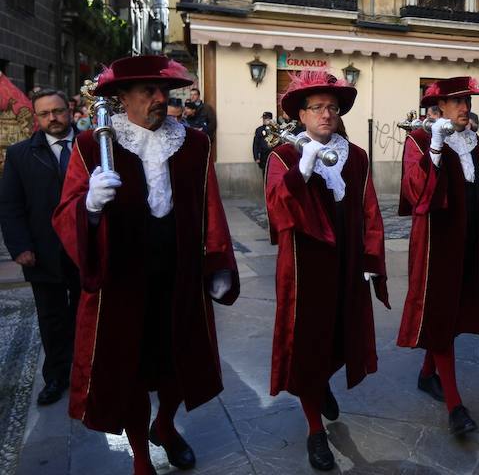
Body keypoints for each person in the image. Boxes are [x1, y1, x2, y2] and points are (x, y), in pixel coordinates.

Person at [51, 56, 239, 475]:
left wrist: (220, 260)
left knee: (178, 364)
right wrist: (90, 207)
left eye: (163, 92)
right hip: (124, 281)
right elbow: (65, 212)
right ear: (122, 98)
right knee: (131, 371)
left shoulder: (193, 144)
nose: (160, 100)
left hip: (180, 275)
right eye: (148, 92)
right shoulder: (91, 145)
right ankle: (140, 455)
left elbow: (210, 203)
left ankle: (166, 425)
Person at [265, 72, 389, 471]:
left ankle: (321, 385)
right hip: (305, 266)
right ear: (301, 114)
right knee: (307, 343)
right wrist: (300, 172)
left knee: (341, 332)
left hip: (347, 261)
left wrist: (371, 260)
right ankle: (314, 428)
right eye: (317, 107)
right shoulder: (283, 156)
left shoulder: (355, 155)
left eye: (332, 108)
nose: (326, 114)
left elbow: (370, 209)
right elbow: (277, 211)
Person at [397, 76, 479, 436]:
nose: (464, 108)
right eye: (457, 102)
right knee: (442, 314)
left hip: (470, 241)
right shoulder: (420, 140)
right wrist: (437, 147)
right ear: (438, 106)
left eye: (468, 102)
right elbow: (416, 193)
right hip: (437, 243)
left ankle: (428, 374)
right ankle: (455, 405)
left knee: (456, 312)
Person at [0, 89, 79, 406]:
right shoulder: (20, 154)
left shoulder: (92, 145)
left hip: (86, 249)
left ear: (69, 110)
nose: (53, 118)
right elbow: (10, 206)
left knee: (86, 314)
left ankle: (89, 372)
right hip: (43, 252)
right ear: (36, 117)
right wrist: (20, 247)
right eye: (45, 114)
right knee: (51, 318)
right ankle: (57, 377)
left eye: (58, 111)